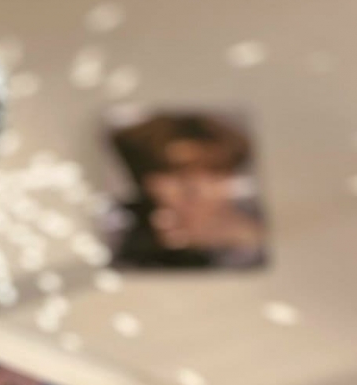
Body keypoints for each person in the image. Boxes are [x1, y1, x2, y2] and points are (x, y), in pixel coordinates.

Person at [111, 113, 266, 270]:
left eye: (214, 172)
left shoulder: (257, 227)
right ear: (146, 180)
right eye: (178, 173)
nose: (196, 188)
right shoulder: (116, 227)